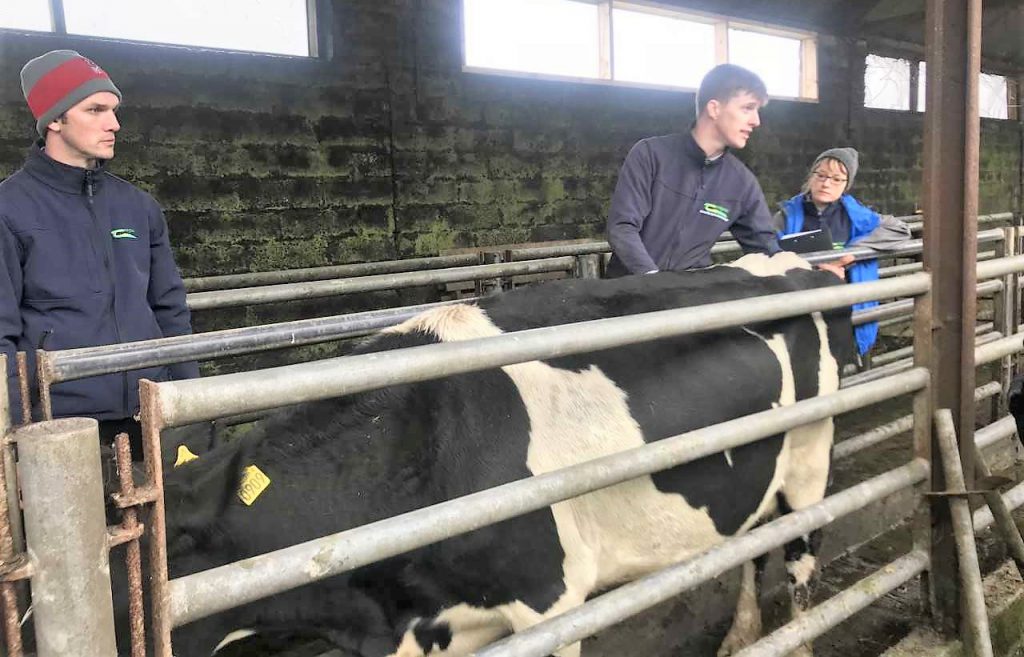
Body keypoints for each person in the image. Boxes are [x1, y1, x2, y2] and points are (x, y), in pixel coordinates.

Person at [0, 50, 198, 452]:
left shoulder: (138, 206)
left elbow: (170, 309)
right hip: (63, 425)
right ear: (54, 119)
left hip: (151, 410)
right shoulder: (9, 210)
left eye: (113, 110)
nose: (115, 124)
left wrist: (193, 401)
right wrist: (17, 435)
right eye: (96, 109)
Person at [605, 64, 782, 278]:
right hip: (627, 290)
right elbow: (622, 227)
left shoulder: (742, 182)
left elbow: (767, 248)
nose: (756, 121)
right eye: (747, 108)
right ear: (714, 108)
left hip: (687, 296)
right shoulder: (651, 155)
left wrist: (812, 271)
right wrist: (652, 279)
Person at [773, 147, 911, 356]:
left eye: (837, 179)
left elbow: (900, 230)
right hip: (802, 307)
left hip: (844, 309)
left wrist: (853, 252)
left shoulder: (855, 215)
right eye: (821, 175)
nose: (826, 183)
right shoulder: (787, 215)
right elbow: (769, 251)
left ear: (846, 185)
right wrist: (816, 267)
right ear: (811, 177)